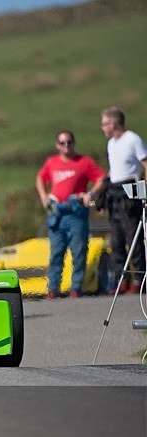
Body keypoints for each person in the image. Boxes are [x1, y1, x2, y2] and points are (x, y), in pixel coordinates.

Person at [36, 131, 105, 299]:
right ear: (57, 145)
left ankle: (76, 288)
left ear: (74, 143)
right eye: (62, 143)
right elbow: (40, 178)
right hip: (57, 214)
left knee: (79, 251)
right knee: (56, 253)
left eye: (69, 142)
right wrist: (44, 197)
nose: (66, 146)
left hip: (76, 213)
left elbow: (101, 178)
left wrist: (90, 194)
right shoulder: (51, 162)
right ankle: (53, 288)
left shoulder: (84, 162)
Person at [100, 106, 147, 295]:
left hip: (130, 192)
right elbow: (114, 170)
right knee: (116, 240)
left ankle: (139, 278)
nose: (102, 128)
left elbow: (145, 164)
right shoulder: (111, 143)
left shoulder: (133, 139)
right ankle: (122, 279)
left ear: (113, 124)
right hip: (115, 193)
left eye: (104, 124)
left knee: (133, 237)